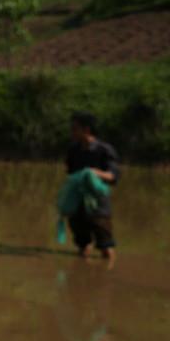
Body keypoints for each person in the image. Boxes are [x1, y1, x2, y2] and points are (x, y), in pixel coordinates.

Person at [65, 111, 119, 264]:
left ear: (86, 130)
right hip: (78, 203)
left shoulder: (104, 150)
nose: (72, 133)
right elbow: (70, 174)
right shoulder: (73, 150)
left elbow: (113, 176)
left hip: (98, 206)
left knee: (105, 245)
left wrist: (94, 173)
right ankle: (83, 278)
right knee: (83, 245)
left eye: (75, 129)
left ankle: (108, 276)